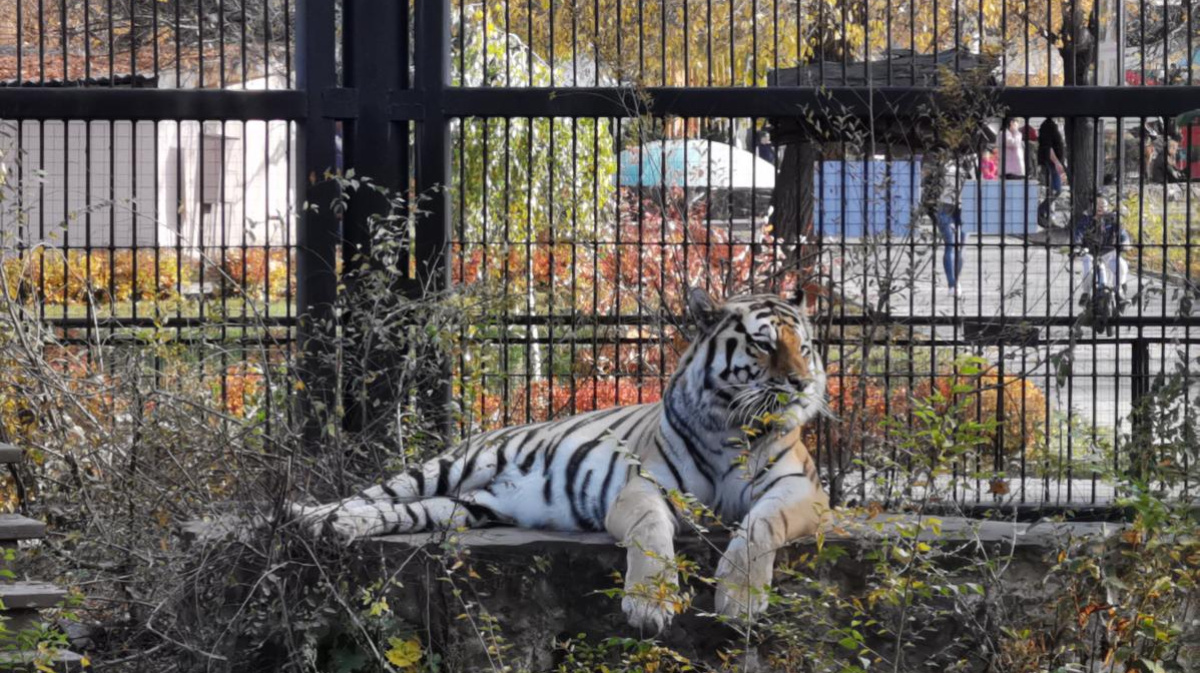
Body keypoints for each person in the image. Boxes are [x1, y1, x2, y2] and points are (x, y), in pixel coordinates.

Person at [922, 151, 973, 299]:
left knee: (954, 245)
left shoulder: (941, 161)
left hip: (954, 204)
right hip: (955, 204)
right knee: (956, 245)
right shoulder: (969, 161)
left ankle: (954, 284)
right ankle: (954, 283)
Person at [1074, 197, 1130, 310]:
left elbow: (1123, 235)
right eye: (1098, 205)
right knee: (1087, 267)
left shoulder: (1112, 220)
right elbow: (1078, 234)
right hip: (1089, 252)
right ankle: (1086, 293)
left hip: (1108, 252)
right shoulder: (1086, 220)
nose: (1101, 207)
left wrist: (1125, 243)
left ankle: (1118, 292)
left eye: (1103, 205)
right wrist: (1077, 246)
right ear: (1093, 207)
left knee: (1122, 267)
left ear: (1107, 207)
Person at [1037, 118, 1067, 226]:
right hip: (1051, 164)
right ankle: (1040, 211)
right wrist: (1056, 162)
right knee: (1056, 190)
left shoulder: (1052, 125)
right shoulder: (1048, 125)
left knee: (1052, 191)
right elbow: (1048, 147)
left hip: (1052, 163)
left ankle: (1047, 216)